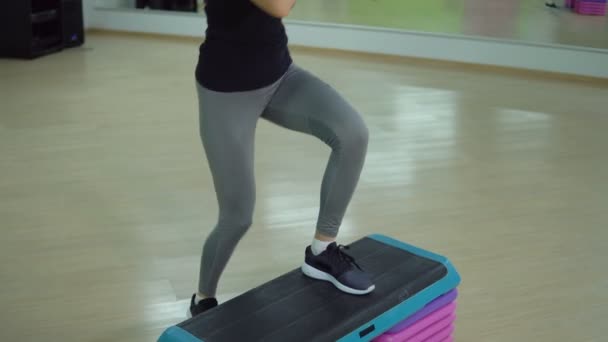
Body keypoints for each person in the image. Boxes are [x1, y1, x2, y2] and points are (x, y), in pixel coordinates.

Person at [189, 0, 374, 317]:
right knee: (237, 216)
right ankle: (203, 298)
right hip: (226, 93)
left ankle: (322, 251)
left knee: (353, 134)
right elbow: (279, 6)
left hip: (280, 76)